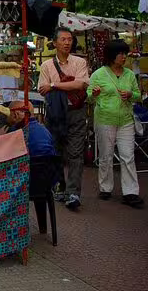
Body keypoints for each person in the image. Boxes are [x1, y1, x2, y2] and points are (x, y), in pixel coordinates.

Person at [88, 40, 144, 209]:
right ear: (112, 56)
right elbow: (89, 97)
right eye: (121, 53)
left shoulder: (129, 75)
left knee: (128, 156)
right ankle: (105, 187)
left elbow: (138, 95)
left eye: (124, 53)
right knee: (106, 155)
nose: (124, 57)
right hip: (105, 119)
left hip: (126, 120)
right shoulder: (98, 74)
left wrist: (131, 94)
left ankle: (131, 192)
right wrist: (95, 94)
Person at [38, 26, 89, 210]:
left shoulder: (79, 62)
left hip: (76, 111)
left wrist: (54, 85)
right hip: (55, 113)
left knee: (76, 152)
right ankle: (60, 186)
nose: (67, 42)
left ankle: (73, 193)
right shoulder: (46, 65)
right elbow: (42, 89)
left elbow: (81, 84)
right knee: (56, 151)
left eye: (70, 39)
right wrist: (65, 86)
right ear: (55, 43)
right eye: (63, 39)